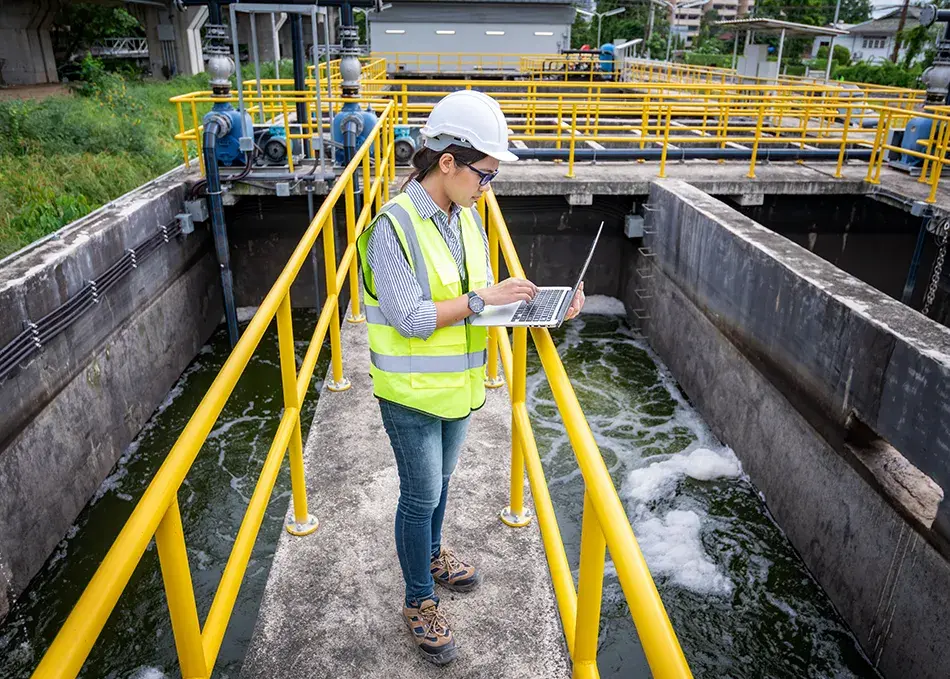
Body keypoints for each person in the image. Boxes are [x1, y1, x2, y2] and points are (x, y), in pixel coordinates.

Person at [356, 90, 585, 665]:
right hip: (408, 392)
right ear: (448, 163)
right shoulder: (394, 225)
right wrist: (485, 298)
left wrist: (544, 306)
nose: (490, 187)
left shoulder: (466, 219)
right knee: (421, 494)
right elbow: (411, 319)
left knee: (442, 483)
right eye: (486, 174)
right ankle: (419, 601)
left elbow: (478, 300)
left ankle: (432, 553)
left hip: (457, 387)